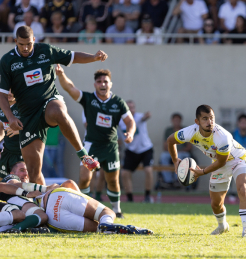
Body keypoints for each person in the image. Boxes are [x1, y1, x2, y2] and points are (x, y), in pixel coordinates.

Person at [0, 25, 108, 186]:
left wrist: (93, 57)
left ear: (34, 40)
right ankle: (47, 203)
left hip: (48, 102)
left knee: (57, 110)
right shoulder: (7, 61)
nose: (25, 48)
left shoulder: (46, 50)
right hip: (28, 116)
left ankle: (84, 155)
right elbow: (2, 95)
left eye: (28, 44)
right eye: (21, 44)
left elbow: (73, 56)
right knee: (34, 173)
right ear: (15, 41)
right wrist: (11, 117)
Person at [55, 65, 136, 219]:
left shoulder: (118, 102)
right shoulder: (89, 99)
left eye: (105, 81)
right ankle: (83, 208)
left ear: (110, 84)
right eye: (99, 82)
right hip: (91, 145)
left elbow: (130, 120)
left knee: (112, 180)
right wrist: (61, 75)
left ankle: (117, 210)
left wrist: (130, 133)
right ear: (95, 85)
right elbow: (70, 88)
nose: (102, 84)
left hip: (111, 147)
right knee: (85, 177)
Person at [167, 105, 246, 238]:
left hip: (238, 159)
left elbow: (222, 162)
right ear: (197, 122)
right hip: (219, 163)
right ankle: (222, 226)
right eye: (205, 119)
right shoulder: (190, 132)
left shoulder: (222, 137)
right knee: (216, 204)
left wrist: (203, 172)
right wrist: (175, 160)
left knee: (243, 188)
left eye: (211, 118)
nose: (209, 122)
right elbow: (170, 140)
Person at [34, 180, 153, 234]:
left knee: (97, 229)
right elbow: (69, 183)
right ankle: (107, 223)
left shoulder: (18, 198)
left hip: (51, 218)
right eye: (22, 170)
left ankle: (113, 228)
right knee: (106, 212)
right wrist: (83, 199)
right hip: (57, 196)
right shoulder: (29, 185)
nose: (25, 174)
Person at [119, 100, 154, 203]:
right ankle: (130, 198)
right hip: (131, 151)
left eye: (133, 107)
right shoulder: (120, 121)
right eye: (129, 108)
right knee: (125, 173)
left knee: (148, 170)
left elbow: (145, 117)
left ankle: (147, 196)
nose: (131, 110)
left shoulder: (139, 117)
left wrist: (147, 115)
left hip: (145, 149)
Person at [160, 113, 192, 187]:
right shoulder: (168, 130)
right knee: (163, 156)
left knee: (179, 156)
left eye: (178, 120)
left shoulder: (186, 130)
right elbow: (165, 146)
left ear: (181, 121)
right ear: (172, 121)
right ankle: (168, 180)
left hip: (183, 153)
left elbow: (189, 146)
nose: (176, 122)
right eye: (175, 120)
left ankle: (177, 179)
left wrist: (180, 151)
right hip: (170, 152)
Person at [0, 91, 23, 181]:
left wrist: (21, 131)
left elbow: (39, 126)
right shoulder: (2, 106)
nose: (9, 92)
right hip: (7, 151)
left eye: (12, 89)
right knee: (2, 182)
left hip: (23, 153)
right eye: (7, 89)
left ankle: (45, 194)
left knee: (31, 178)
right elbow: (2, 128)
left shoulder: (25, 106)